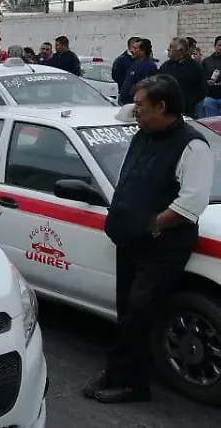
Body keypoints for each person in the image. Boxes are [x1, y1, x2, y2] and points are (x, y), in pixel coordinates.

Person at [84, 75, 213, 404]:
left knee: (139, 314)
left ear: (163, 107)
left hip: (161, 247)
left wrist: (153, 224)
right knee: (126, 312)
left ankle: (132, 385)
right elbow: (124, 114)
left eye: (142, 105)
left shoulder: (192, 146)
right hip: (131, 241)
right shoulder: (145, 131)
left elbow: (191, 203)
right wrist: (143, 101)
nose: (134, 111)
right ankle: (118, 372)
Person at [157, 37, 206, 118]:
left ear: (181, 50)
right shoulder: (166, 66)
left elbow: (201, 91)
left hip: (186, 112)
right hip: (165, 109)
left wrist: (187, 102)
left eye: (171, 47)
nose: (168, 49)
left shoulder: (195, 67)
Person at [118, 39, 158, 105]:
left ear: (142, 51)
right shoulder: (135, 64)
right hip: (126, 103)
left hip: (136, 105)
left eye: (135, 48)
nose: (131, 50)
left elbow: (146, 88)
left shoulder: (149, 66)